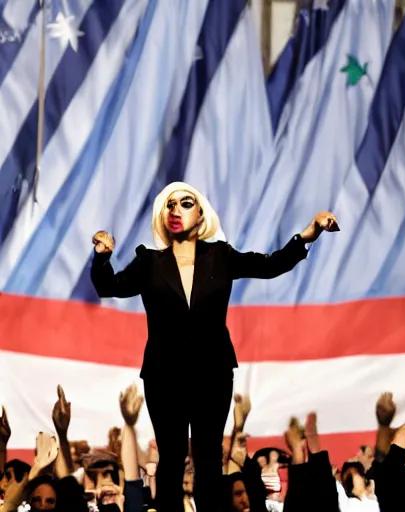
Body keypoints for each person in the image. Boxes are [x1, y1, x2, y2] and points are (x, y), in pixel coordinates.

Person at [90, 181, 338, 512]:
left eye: (185, 203)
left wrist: (308, 235)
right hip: (164, 375)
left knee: (208, 460)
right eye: (169, 204)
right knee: (172, 459)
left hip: (213, 372)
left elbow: (270, 264)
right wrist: (102, 258)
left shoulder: (220, 255)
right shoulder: (149, 261)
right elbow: (110, 287)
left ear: (202, 213)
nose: (175, 209)